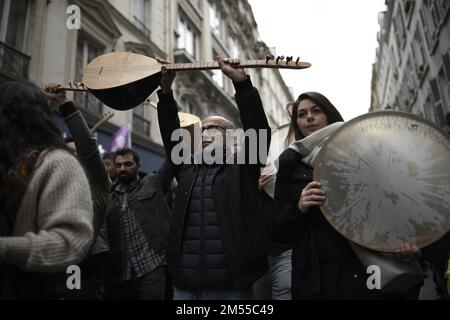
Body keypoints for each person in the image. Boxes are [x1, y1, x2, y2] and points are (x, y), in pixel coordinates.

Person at [272, 92, 422, 300]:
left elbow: (394, 202)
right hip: (317, 278)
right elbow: (278, 231)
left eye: (317, 111)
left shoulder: (364, 151)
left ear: (330, 115)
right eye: (302, 114)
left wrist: (407, 241)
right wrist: (299, 207)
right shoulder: (289, 164)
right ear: (296, 123)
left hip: (365, 265)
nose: (309, 117)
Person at [157, 57, 270, 300]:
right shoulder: (186, 167)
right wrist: (165, 93)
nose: (204, 134)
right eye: (201, 130)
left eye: (212, 129)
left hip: (232, 288)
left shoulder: (243, 165)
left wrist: (241, 83)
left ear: (231, 139)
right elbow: (170, 135)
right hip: (185, 286)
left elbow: (258, 129)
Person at [0, 81, 93, 299]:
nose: (120, 168)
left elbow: (71, 241)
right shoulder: (11, 164)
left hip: (72, 274)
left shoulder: (61, 164)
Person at [44, 83, 112, 299]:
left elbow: (88, 148)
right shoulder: (53, 181)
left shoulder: (98, 182)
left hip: (81, 268)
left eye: (77, 153)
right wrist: (44, 106)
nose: (72, 157)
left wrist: (65, 104)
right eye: (67, 153)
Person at [104, 148, 174, 300]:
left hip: (152, 266)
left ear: (138, 166)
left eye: (128, 164)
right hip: (120, 274)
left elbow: (172, 161)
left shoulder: (152, 183)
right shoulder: (109, 198)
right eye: (119, 165)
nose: (122, 168)